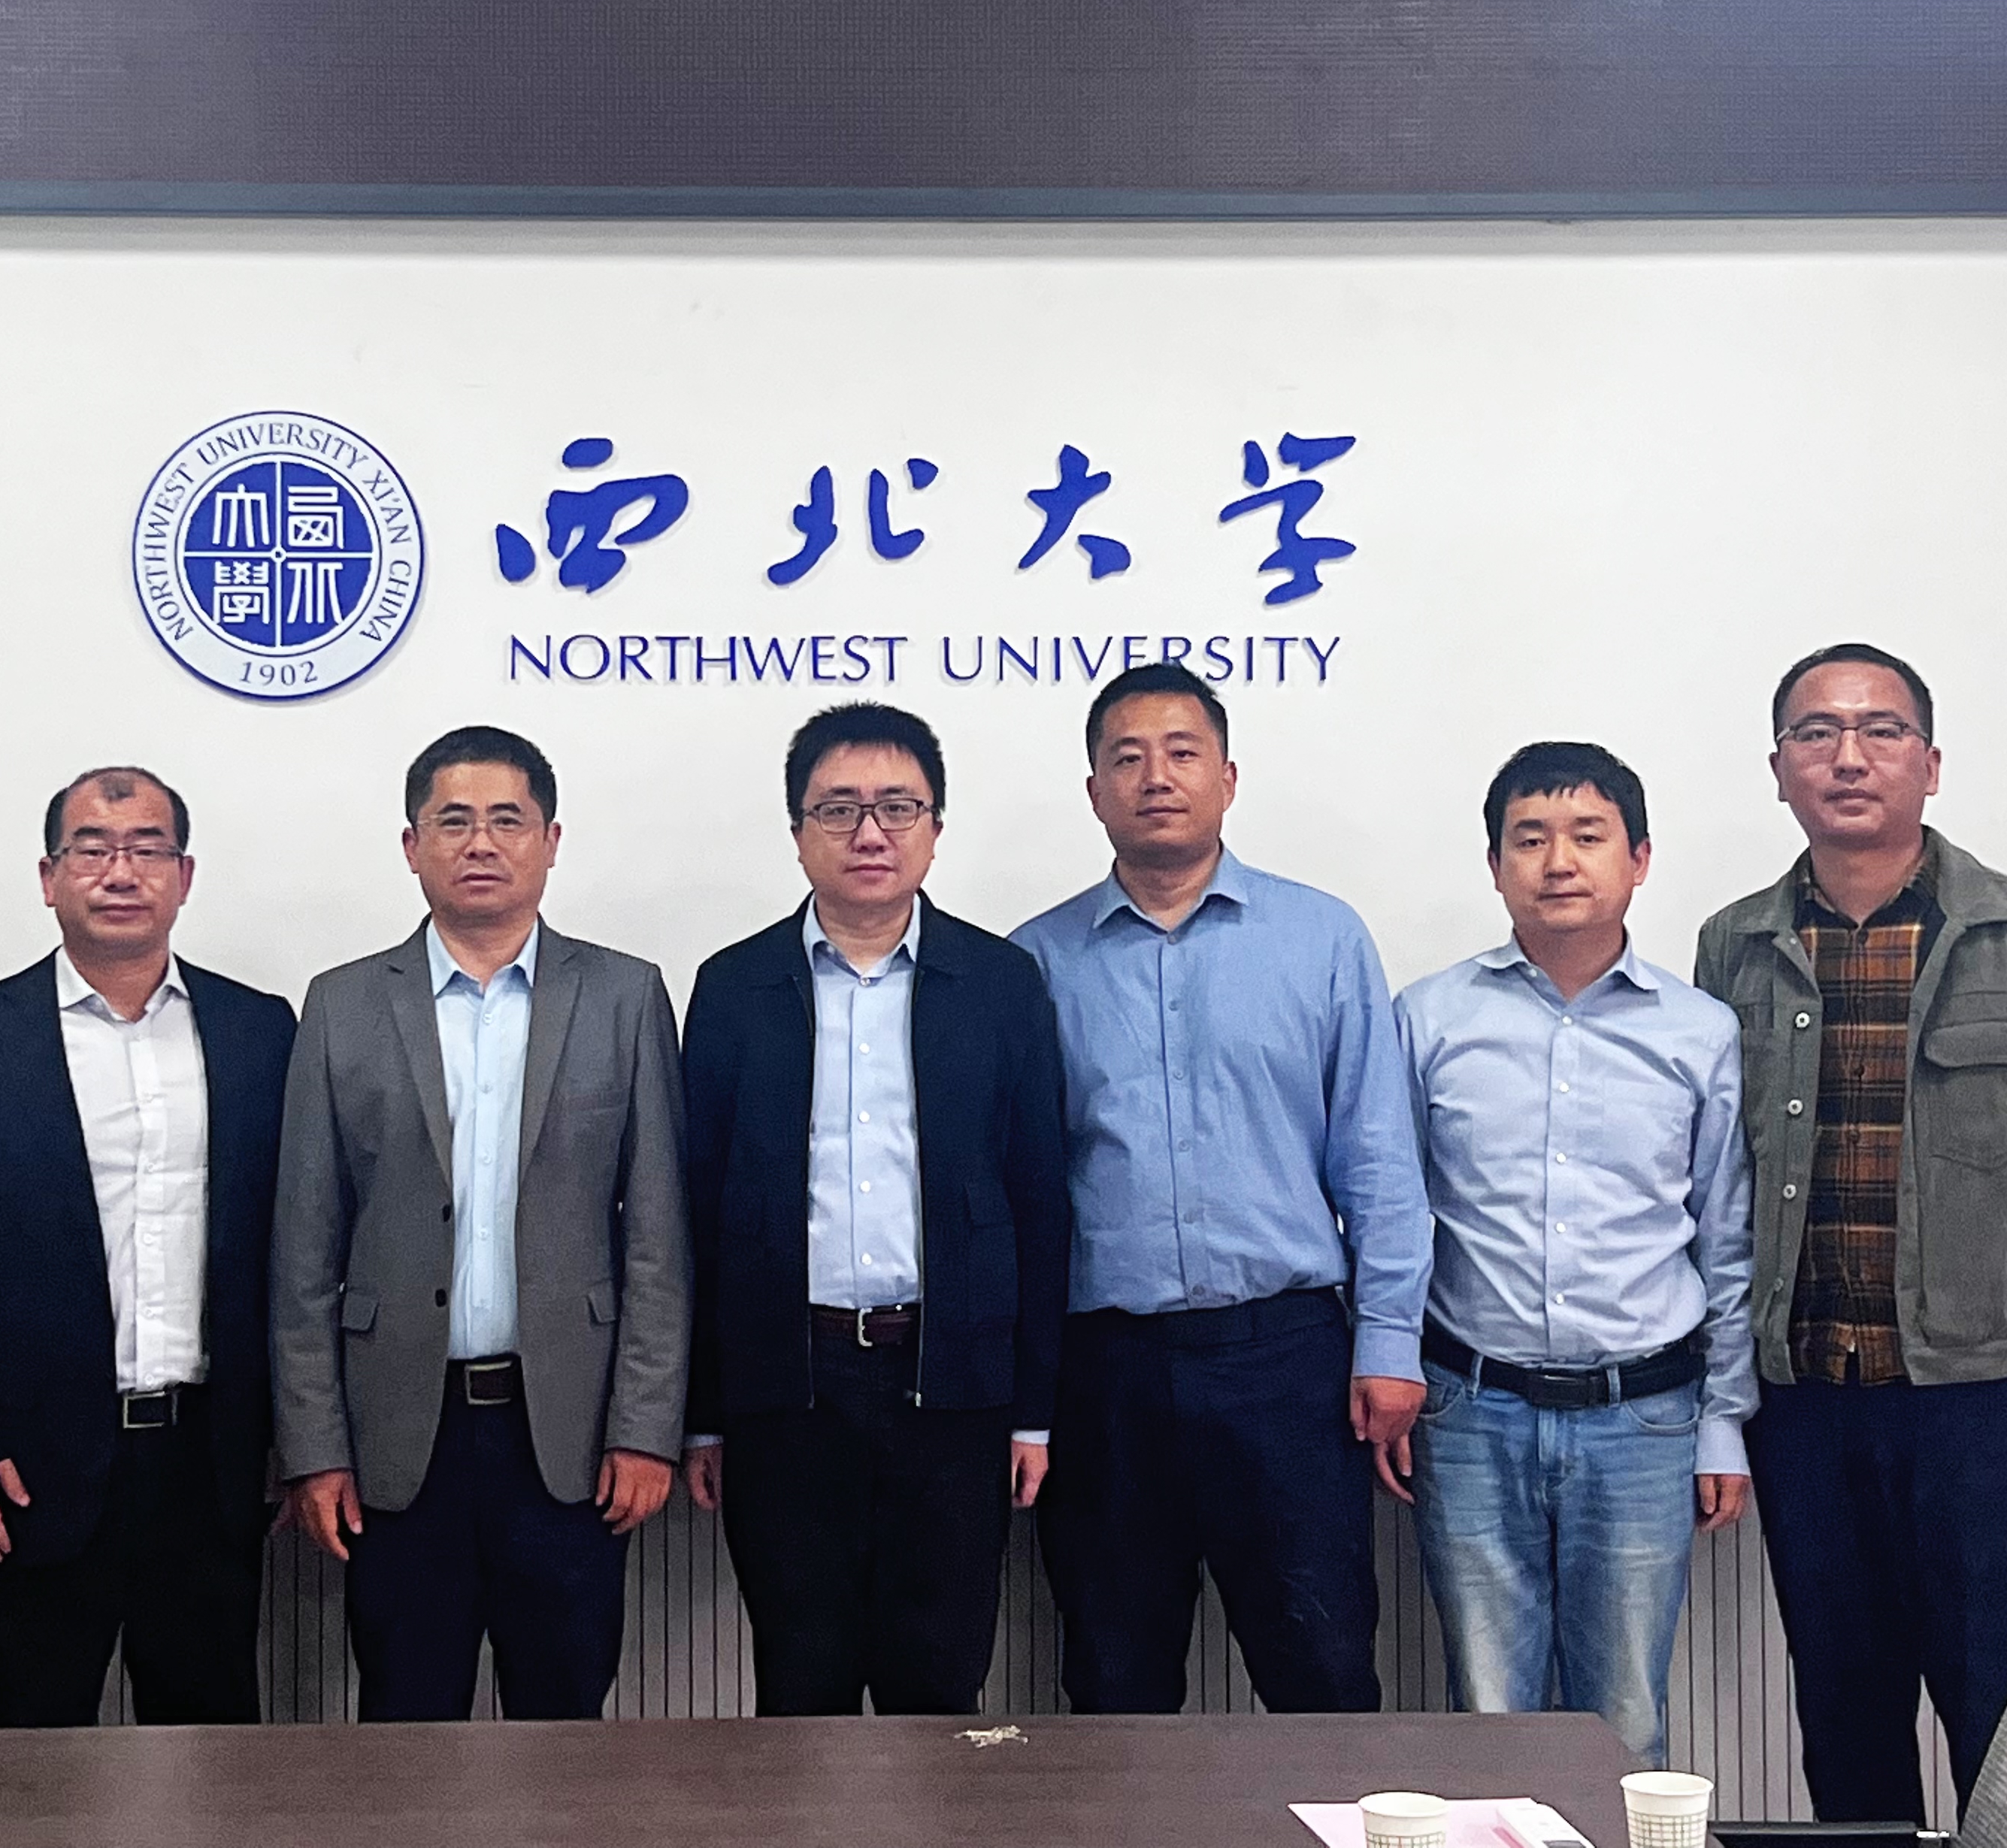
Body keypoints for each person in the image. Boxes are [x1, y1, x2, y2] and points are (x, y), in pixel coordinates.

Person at [1697, 643, 2007, 1820]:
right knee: (1842, 1710)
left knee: (2000, 1710)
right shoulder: (1734, 945)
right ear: (1780, 770)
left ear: (1931, 764)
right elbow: (1715, 1171)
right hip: (1804, 1399)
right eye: (1816, 733)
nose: (1848, 756)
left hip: (1977, 1400)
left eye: (1881, 730)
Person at [1011, 662, 1431, 1713]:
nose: (1156, 777)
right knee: (1114, 1683)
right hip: (1105, 1372)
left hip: (1285, 1362)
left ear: (1229, 778)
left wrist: (1389, 1343)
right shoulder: (1035, 964)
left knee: (1323, 1673)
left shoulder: (1321, 938)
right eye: (1128, 758)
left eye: (1182, 752)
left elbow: (1379, 1157)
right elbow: (1019, 1192)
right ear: (1095, 791)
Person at [270, 725, 689, 1721]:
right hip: (397, 1440)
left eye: (508, 820)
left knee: (565, 1719)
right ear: (412, 846)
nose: (482, 843)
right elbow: (303, 1249)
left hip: (570, 1438)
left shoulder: (625, 996)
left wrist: (646, 1431)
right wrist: (316, 1449)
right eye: (453, 821)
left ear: (551, 841)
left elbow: (658, 1239)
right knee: (407, 1722)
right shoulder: (341, 1005)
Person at [0, 767, 297, 1729]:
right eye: (93, 849)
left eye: (148, 849)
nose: (121, 871)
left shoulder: (259, 1031)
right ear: (49, 876)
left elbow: (293, 1250)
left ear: (184, 876)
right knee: (21, 1775)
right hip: (24, 1474)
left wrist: (291, 1437)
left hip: (209, 1467)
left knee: (210, 1760)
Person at [680, 703, 1070, 1714]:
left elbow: (1039, 1201)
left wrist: (1033, 1410)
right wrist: (705, 1417)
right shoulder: (733, 988)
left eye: (898, 807)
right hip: (788, 1389)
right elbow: (699, 1213)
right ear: (797, 830)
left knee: (937, 1683)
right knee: (799, 1680)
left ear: (935, 828)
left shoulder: (1000, 983)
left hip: (951, 1388)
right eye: (839, 809)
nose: (869, 833)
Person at [1393, 740, 1754, 1768]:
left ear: (1639, 859)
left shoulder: (1699, 1032)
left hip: (1645, 1419)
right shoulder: (1427, 1019)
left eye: (1588, 836)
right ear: (1495, 864)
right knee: (1488, 1714)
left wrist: (1724, 1424)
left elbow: (1728, 1239)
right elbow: (1390, 1220)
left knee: (1625, 1719)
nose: (1559, 862)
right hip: (1470, 1412)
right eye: (1530, 839)